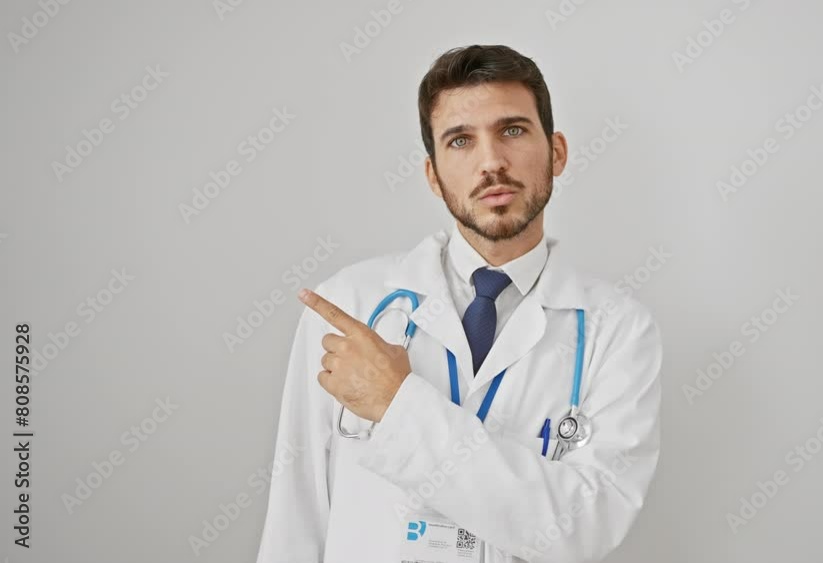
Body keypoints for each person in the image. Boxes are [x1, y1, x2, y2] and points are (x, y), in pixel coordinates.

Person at [255, 44, 663, 563]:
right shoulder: (350, 306)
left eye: (512, 130)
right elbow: (297, 516)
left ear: (556, 152)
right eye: (461, 141)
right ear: (433, 175)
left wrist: (397, 405)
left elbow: (584, 529)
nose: (491, 162)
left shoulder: (619, 331)